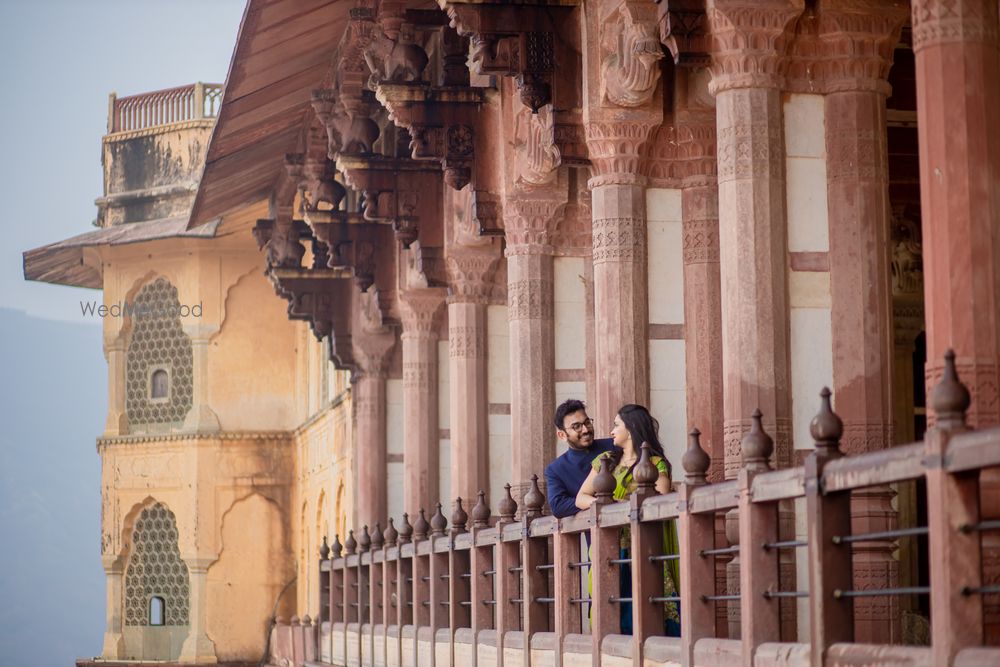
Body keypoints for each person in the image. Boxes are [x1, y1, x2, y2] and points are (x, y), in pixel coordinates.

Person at [575, 404, 680, 636]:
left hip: (644, 547)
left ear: (630, 429)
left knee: (648, 607)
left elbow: (659, 502)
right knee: (611, 606)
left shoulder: (655, 464)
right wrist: (607, 506)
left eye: (616, 425)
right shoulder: (605, 461)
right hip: (610, 547)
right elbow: (580, 498)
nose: (611, 431)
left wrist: (624, 506)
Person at [544, 399, 616, 519]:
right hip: (594, 532)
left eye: (587, 423)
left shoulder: (612, 446)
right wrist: (595, 502)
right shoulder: (556, 470)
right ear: (562, 435)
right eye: (576, 426)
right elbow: (558, 506)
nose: (586, 430)